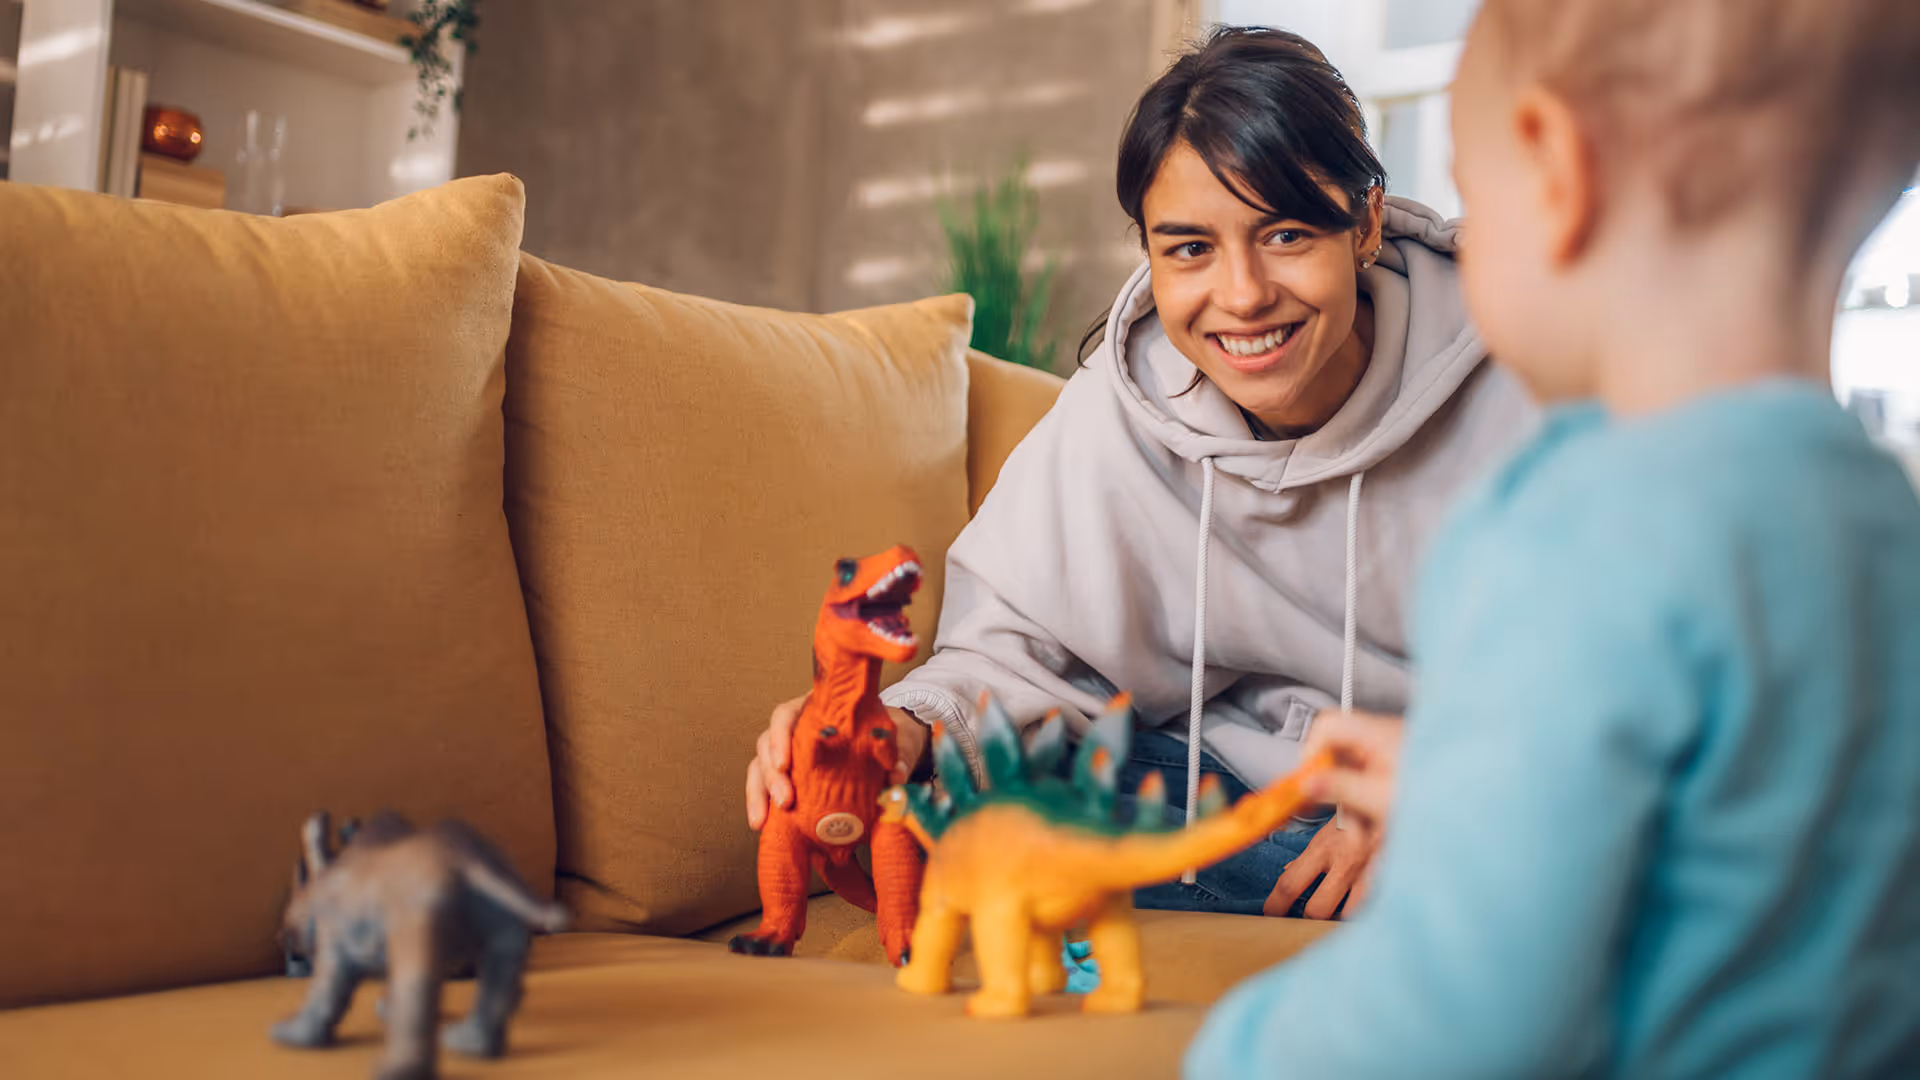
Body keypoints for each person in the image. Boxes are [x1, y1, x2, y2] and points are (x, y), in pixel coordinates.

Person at [1188, 0, 1920, 1075]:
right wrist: (1469, 774)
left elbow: (1462, 1017)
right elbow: (1749, 825)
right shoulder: (1878, 519)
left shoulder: (1568, 524)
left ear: (1554, 171)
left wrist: (1238, 1053)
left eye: (1479, 203)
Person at [744, 27, 1534, 920]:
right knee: (959, 795)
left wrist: (1450, 793)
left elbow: (1640, 672)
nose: (1241, 296)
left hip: (1468, 793)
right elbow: (1015, 653)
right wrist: (898, 736)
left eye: (1284, 233)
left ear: (1367, 224)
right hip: (1231, 794)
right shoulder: (1125, 408)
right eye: (1189, 248)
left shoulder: (1532, 374)